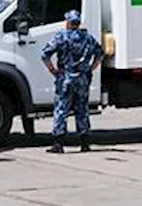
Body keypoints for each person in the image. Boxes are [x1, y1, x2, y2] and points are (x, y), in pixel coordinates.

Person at [41, 10, 104, 153]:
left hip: (66, 78)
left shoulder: (61, 37)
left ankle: (58, 143)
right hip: (82, 78)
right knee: (82, 109)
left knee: (62, 109)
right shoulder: (87, 38)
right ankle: (84, 143)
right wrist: (90, 69)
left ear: (68, 22)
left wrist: (53, 70)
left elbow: (45, 54)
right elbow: (99, 54)